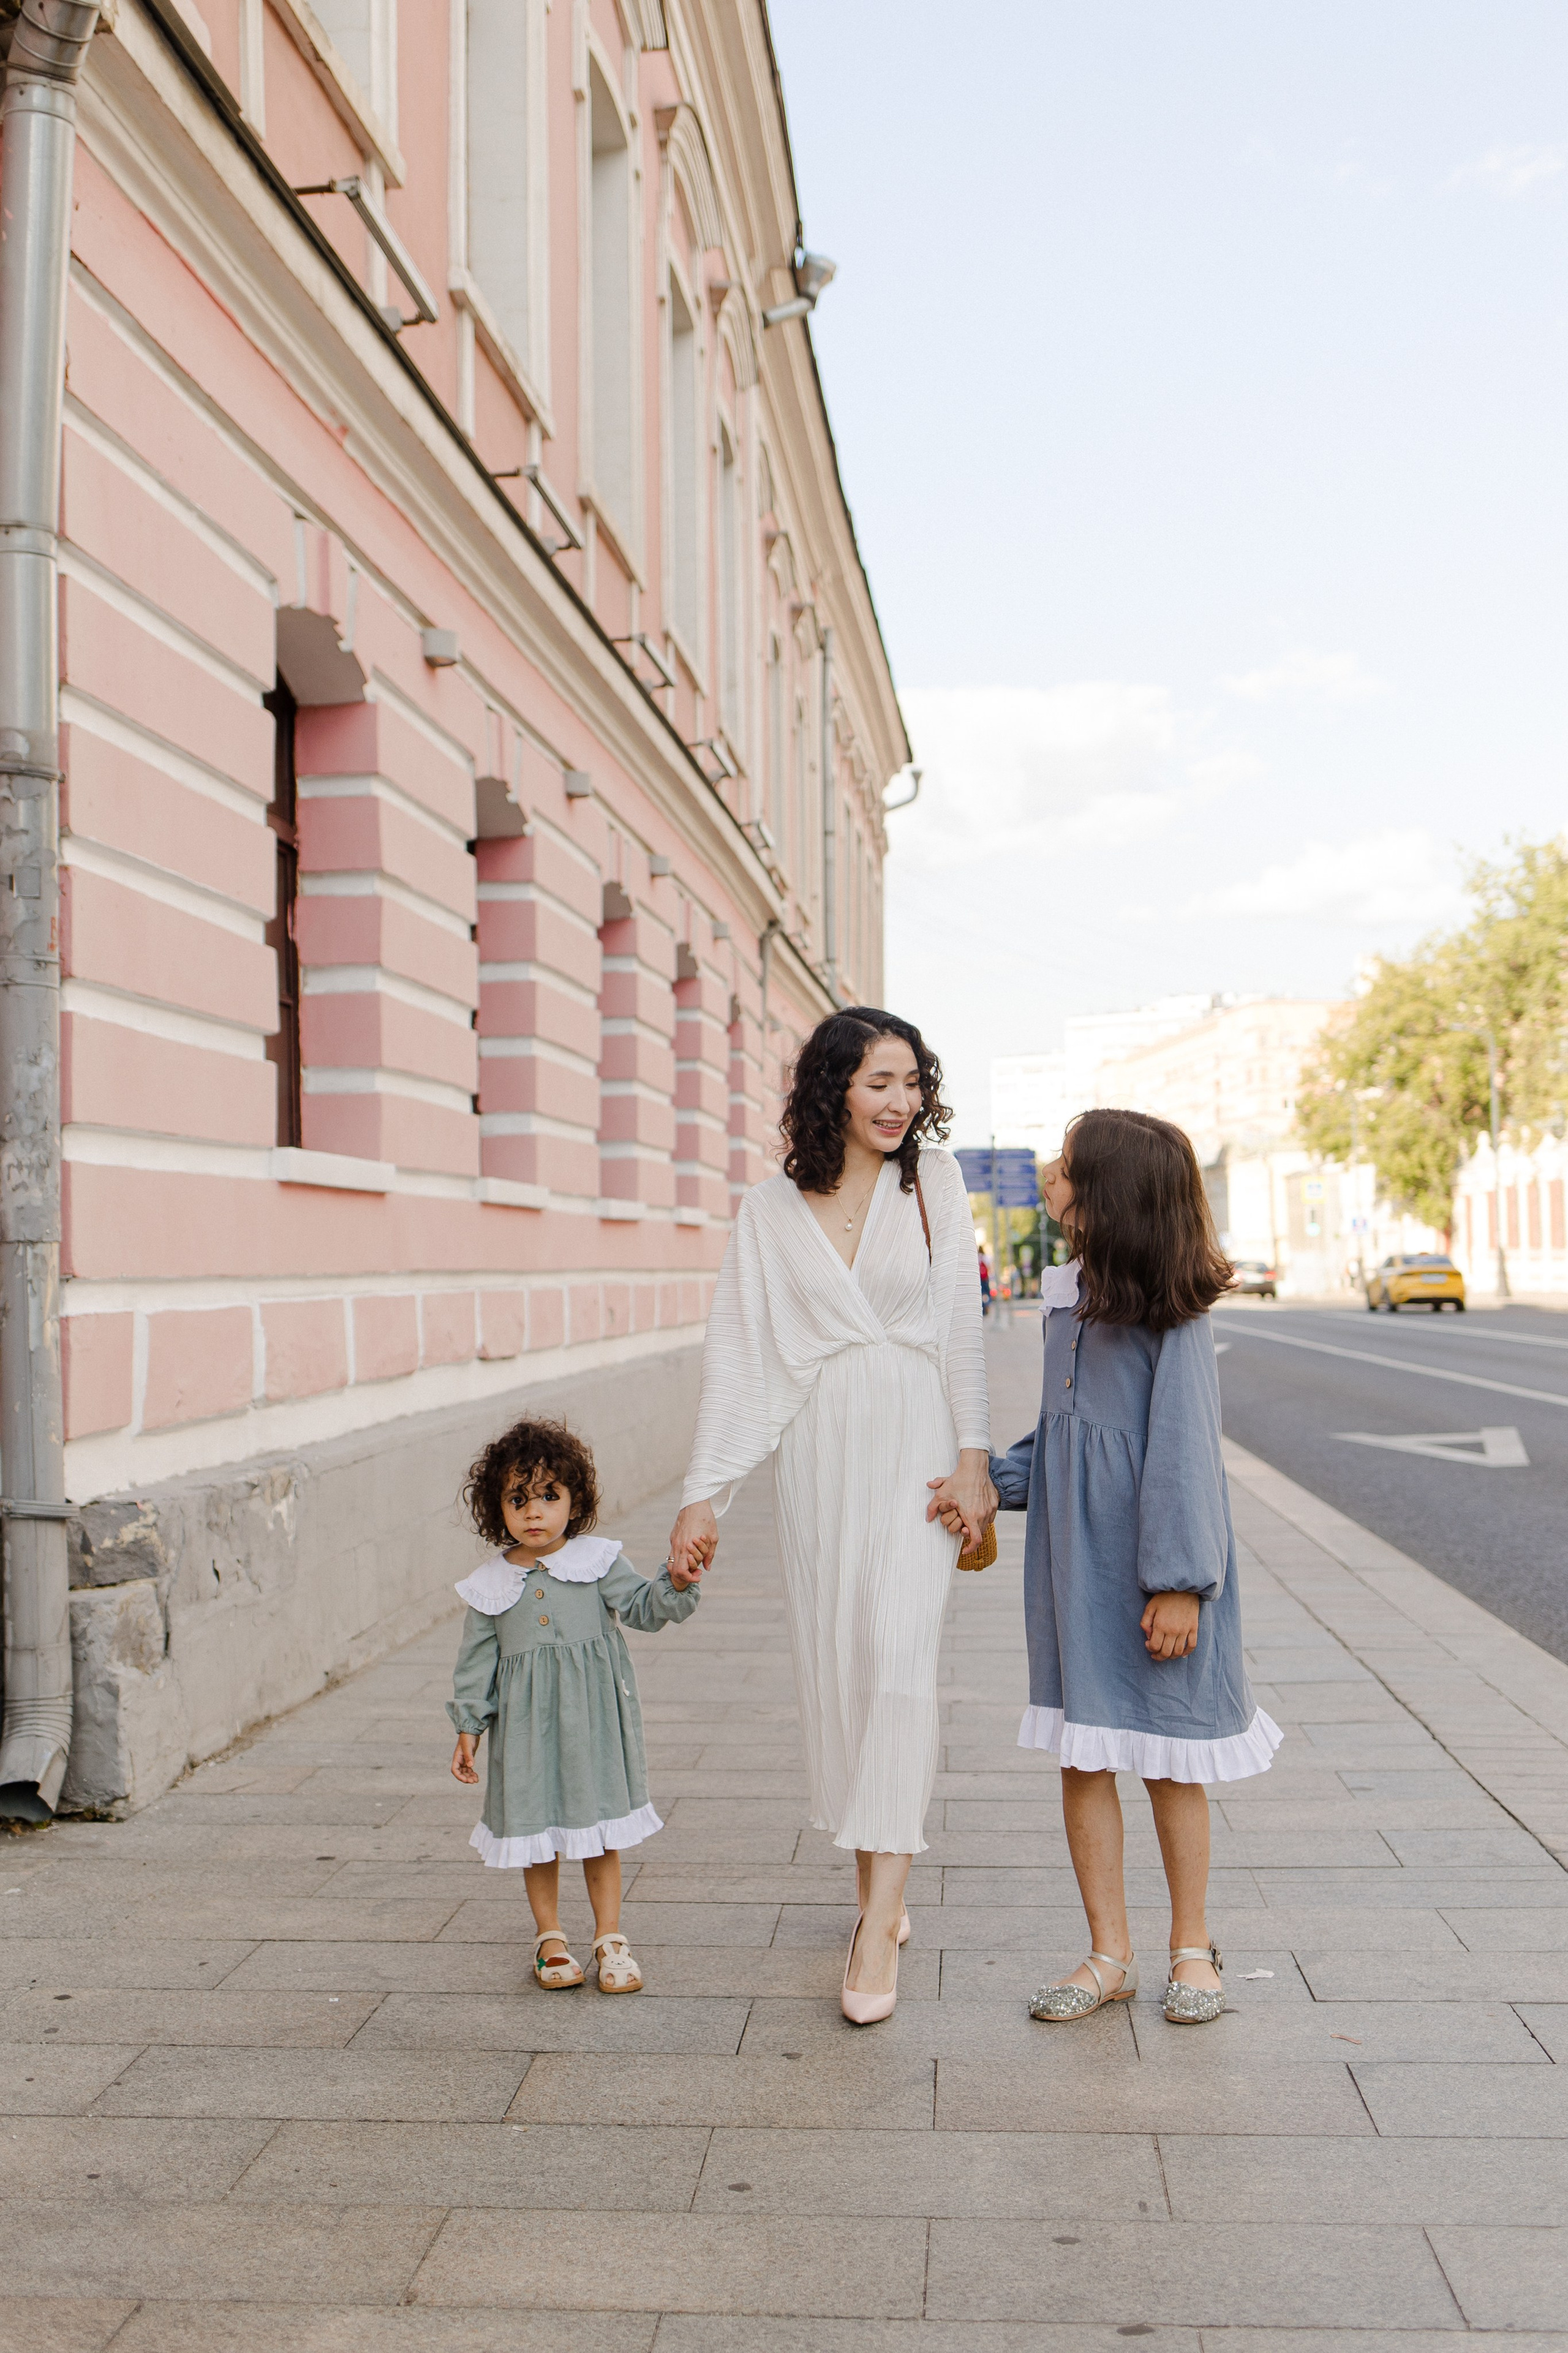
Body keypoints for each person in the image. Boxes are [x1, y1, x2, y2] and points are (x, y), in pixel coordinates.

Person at [668, 1009, 993, 2023]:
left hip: (917, 1446)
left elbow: (961, 1327)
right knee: (847, 1669)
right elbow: (740, 1352)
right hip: (818, 1453)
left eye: (912, 1083)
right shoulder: (769, 1209)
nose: (900, 1103)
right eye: (878, 1083)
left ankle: (878, 1926)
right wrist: (703, 1492)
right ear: (833, 1089)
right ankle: (874, 1884)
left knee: (899, 1662)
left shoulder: (934, 1183)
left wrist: (975, 1459)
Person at [990, 1108, 1282, 2027]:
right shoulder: (1068, 1292)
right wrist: (993, 1482)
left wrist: (1180, 1582)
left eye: (1066, 1164)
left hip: (1155, 1569)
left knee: (1169, 1761)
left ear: (1109, 1193)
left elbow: (1185, 1448)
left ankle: (1191, 1946)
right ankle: (1107, 1953)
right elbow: (1066, 1430)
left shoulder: (1172, 1308)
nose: (1049, 1172)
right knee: (1084, 1756)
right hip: (1075, 1568)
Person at [448, 1417, 702, 1994]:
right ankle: (550, 1937)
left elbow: (643, 1608)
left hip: (592, 1724)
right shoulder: (490, 1585)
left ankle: (610, 1936)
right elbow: (475, 1663)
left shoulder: (597, 1561)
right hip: (525, 1732)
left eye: (549, 1495)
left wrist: (677, 1581)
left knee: (600, 1830)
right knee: (535, 1830)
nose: (533, 1511)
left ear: (575, 1499)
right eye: (518, 1499)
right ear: (497, 1508)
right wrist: (469, 1726)